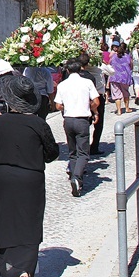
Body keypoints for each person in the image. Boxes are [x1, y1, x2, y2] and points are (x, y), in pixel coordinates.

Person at [0, 76, 58, 277]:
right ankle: (25, 272)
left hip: (3, 178)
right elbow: (52, 154)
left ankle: (11, 273)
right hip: (30, 179)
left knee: (5, 223)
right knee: (29, 224)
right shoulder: (39, 124)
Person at [55, 60, 99, 197]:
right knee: (83, 152)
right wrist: (94, 111)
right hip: (82, 119)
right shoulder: (87, 83)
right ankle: (77, 177)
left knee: (72, 151)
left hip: (68, 120)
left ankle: (74, 177)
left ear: (67, 70)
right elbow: (96, 101)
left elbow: (57, 106)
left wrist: (67, 108)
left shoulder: (63, 84)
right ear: (80, 69)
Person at [79, 54, 106, 155]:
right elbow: (112, 71)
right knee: (98, 125)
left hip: (83, 97)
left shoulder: (78, 71)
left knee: (85, 122)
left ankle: (83, 147)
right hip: (97, 97)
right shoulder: (99, 67)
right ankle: (94, 146)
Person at [109, 42, 134, 115]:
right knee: (125, 92)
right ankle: (127, 108)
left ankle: (119, 110)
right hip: (125, 77)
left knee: (117, 94)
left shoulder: (113, 56)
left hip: (114, 77)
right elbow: (131, 65)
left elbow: (109, 64)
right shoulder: (127, 56)